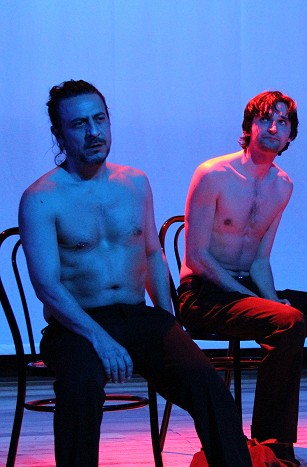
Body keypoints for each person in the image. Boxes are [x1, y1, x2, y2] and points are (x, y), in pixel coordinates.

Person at [18, 80, 252, 467]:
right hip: (76, 324)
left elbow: (152, 254)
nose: (93, 132)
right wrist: (100, 339)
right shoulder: (41, 198)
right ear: (59, 134)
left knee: (208, 386)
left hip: (137, 316)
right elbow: (47, 285)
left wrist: (170, 321)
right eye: (79, 124)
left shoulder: (135, 183)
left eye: (100, 119)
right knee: (80, 388)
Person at [178, 90, 307, 454]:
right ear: (248, 127)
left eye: (282, 122)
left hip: (247, 288)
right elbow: (197, 256)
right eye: (265, 119)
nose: (272, 128)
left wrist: (269, 298)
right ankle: (272, 443)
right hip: (203, 293)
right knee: (288, 322)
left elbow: (260, 260)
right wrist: (257, 299)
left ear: (290, 135)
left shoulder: (282, 186)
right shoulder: (213, 174)